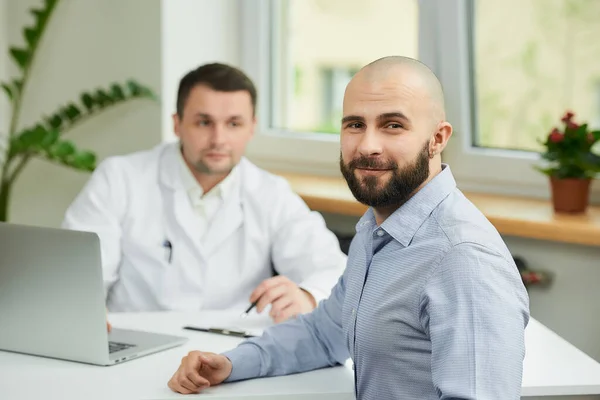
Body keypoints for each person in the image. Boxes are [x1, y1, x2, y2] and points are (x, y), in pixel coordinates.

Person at [166, 56, 530, 399]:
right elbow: (325, 333)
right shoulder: (377, 230)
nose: (368, 145)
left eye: (393, 125)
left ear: (437, 139)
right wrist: (230, 363)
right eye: (355, 124)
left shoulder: (463, 259)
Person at [62, 63, 347, 325]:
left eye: (233, 124)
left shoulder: (271, 193)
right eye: (204, 122)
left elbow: (332, 268)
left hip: (230, 350)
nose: (218, 139)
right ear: (177, 124)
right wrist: (83, 311)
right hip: (134, 339)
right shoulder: (119, 179)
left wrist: (308, 295)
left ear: (252, 128)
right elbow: (79, 279)